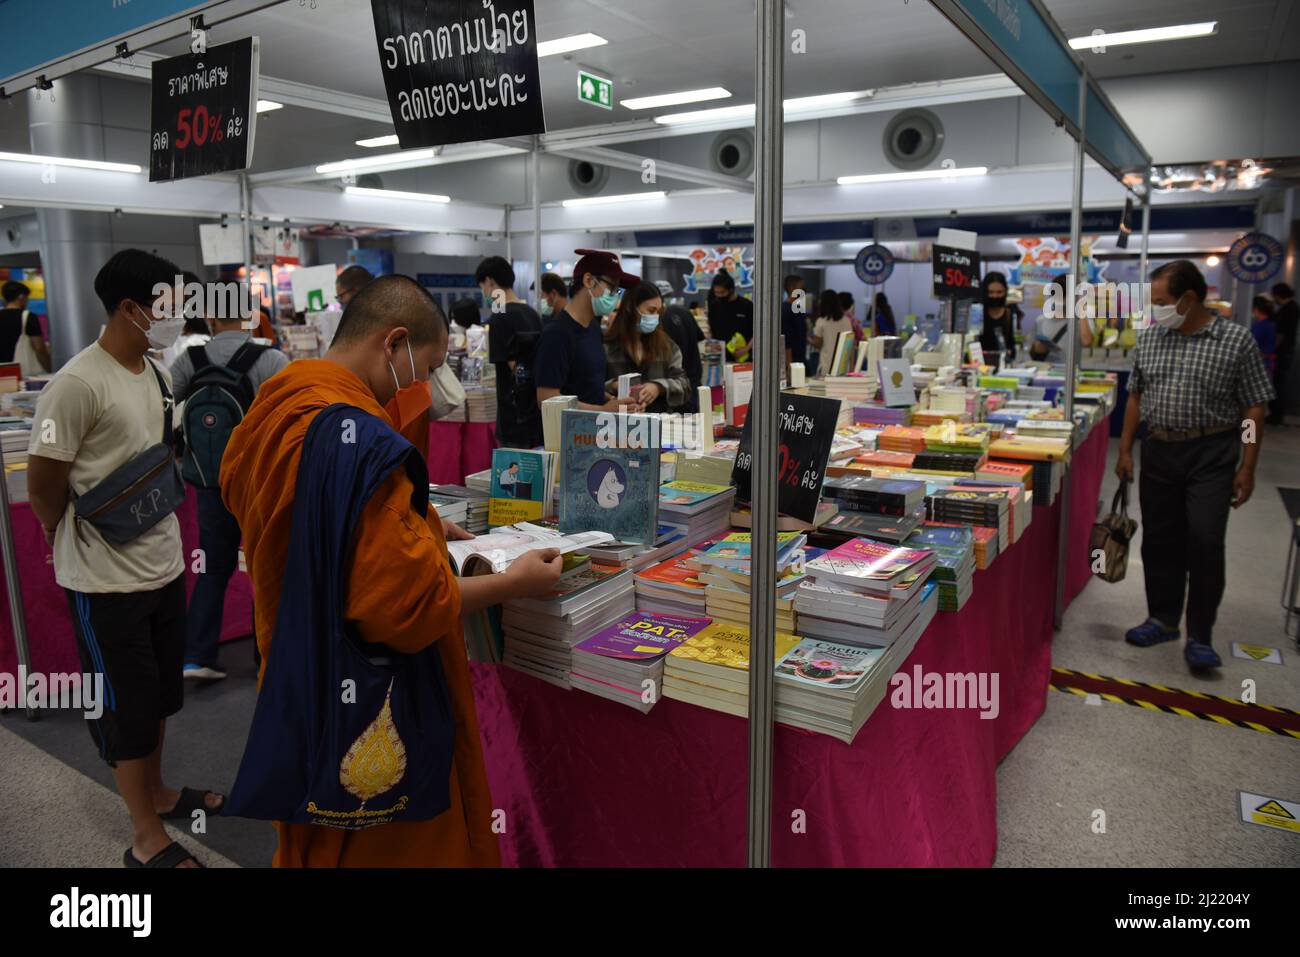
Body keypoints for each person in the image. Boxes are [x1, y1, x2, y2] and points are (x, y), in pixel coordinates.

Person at [220, 275, 562, 866]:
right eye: (426, 369)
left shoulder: (283, 396)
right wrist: (516, 581)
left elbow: (283, 501)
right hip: (369, 691)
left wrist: (421, 519)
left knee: (315, 799)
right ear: (393, 343)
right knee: (377, 829)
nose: (425, 388)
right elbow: (405, 608)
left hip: (295, 664)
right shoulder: (357, 440)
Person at [26, 249, 224, 868]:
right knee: (124, 707)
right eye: (171, 305)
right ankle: (145, 835)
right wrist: (64, 529)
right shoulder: (77, 384)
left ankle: (160, 793)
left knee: (162, 695)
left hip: (161, 566)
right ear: (131, 308)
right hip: (103, 580)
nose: (181, 316)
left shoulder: (155, 370)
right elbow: (43, 481)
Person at [1116, 260, 1274, 672]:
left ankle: (1200, 635)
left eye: (1162, 302)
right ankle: (1162, 618)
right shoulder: (1151, 339)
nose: (1156, 310)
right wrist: (1126, 450)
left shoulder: (1236, 341)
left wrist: (1248, 466)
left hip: (1212, 454)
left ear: (1189, 298)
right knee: (1160, 539)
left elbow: (1254, 407)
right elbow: (1135, 396)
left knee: (1204, 541)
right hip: (1160, 451)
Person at [169, 280, 289, 681]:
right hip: (258, 482)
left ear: (209, 316)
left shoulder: (190, 358)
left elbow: (164, 407)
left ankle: (196, 654)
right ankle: (266, 655)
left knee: (213, 564)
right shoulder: (271, 360)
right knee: (263, 565)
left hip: (208, 479)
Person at [535, 249, 639, 412]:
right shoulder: (557, 334)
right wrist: (603, 411)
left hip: (596, 432)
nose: (615, 296)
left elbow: (586, 387)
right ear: (589, 280)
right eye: (612, 288)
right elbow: (547, 399)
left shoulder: (593, 328)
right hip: (568, 435)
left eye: (617, 291)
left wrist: (614, 401)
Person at [477, 256, 543, 448]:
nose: (484, 292)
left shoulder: (499, 318)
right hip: (536, 414)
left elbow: (513, 367)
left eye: (483, 286)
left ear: (490, 281)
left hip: (512, 418)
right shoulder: (532, 314)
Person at [603, 281, 692, 414]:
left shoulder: (667, 346)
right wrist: (614, 386)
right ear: (629, 307)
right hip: (616, 427)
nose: (655, 317)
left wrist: (658, 387)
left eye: (658, 312)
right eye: (651, 310)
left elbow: (684, 386)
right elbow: (590, 387)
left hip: (660, 425)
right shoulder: (606, 347)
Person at [1030, 274, 1093, 362]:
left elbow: (1087, 342)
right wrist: (1037, 348)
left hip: (1072, 373)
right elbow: (1032, 352)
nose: (1062, 301)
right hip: (1046, 373)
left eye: (1066, 297)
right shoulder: (1040, 320)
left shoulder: (1081, 320)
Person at [660, 300, 704, 410]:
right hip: (693, 378)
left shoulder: (661, 321)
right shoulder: (685, 312)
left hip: (675, 386)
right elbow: (700, 336)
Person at [0, 279, 51, 370]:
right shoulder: (28, 317)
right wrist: (49, 366)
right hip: (23, 371)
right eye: (27, 298)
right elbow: (39, 347)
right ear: (21, 297)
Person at [706, 271, 753, 361]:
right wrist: (712, 344)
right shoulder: (714, 306)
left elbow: (757, 332)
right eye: (716, 292)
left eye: (722, 292)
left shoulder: (747, 305)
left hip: (743, 357)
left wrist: (746, 348)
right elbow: (711, 329)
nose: (719, 295)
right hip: (721, 357)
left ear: (731, 290)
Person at [1268, 282, 1296, 424]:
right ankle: (1275, 413)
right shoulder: (1290, 308)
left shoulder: (1288, 309)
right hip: (1285, 351)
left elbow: (1281, 333)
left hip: (1282, 352)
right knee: (1278, 382)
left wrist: (1273, 349)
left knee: (1278, 382)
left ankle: (1276, 414)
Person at [811, 289, 854, 377]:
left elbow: (817, 344)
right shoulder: (846, 321)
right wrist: (852, 367)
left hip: (826, 366)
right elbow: (851, 345)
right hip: (843, 367)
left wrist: (807, 339)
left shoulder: (821, 321)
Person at [978, 271, 1019, 363]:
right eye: (990, 292)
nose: (995, 296)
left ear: (1005, 291)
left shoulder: (1010, 312)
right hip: (978, 363)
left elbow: (1012, 343)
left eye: (999, 292)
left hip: (1002, 364)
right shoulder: (977, 311)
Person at [781, 275, 808, 368]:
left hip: (801, 358)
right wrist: (789, 365)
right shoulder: (785, 310)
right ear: (792, 288)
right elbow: (786, 340)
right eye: (801, 287)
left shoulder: (799, 309)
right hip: (792, 361)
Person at [1250, 296, 1277, 375]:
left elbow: (1252, 343)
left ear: (1256, 309)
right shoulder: (1270, 324)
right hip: (1267, 362)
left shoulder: (1261, 326)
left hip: (1262, 363)